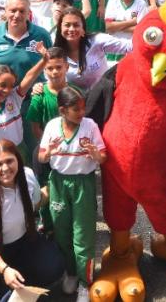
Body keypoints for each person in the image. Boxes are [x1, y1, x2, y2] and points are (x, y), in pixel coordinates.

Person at [0, 140, 66, 302]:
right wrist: (5, 269)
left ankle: (19, 285)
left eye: (9, 161)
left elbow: (36, 202)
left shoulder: (27, 176)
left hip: (23, 242)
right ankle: (8, 287)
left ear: (18, 160)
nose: (5, 168)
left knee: (54, 265)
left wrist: (51, 189)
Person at [37, 87, 106, 301]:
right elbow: (41, 158)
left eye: (83, 107)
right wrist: (48, 152)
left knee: (82, 236)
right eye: (76, 109)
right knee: (62, 232)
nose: (81, 112)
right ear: (62, 110)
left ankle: (86, 283)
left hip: (82, 184)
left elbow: (102, 157)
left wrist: (95, 153)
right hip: (58, 183)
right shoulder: (51, 126)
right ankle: (71, 272)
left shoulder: (90, 126)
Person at [0, 0, 54, 79]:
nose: (17, 15)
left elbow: (53, 65)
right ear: (5, 11)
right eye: (13, 10)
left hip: (34, 92)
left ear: (28, 13)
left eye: (22, 11)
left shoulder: (42, 35)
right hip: (2, 92)